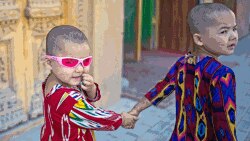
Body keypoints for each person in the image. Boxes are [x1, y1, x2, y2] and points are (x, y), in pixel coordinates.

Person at [127, 3, 238, 141]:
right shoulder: (222, 74)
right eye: (224, 31)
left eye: (234, 29)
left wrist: (135, 110)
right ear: (198, 39)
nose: (233, 36)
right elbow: (225, 124)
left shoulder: (182, 63)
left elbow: (160, 90)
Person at [40, 25, 137, 141]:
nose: (80, 69)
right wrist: (121, 119)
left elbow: (88, 98)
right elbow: (95, 117)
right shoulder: (68, 100)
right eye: (70, 62)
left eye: (85, 61)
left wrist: (91, 89)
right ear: (50, 62)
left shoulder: (53, 80)